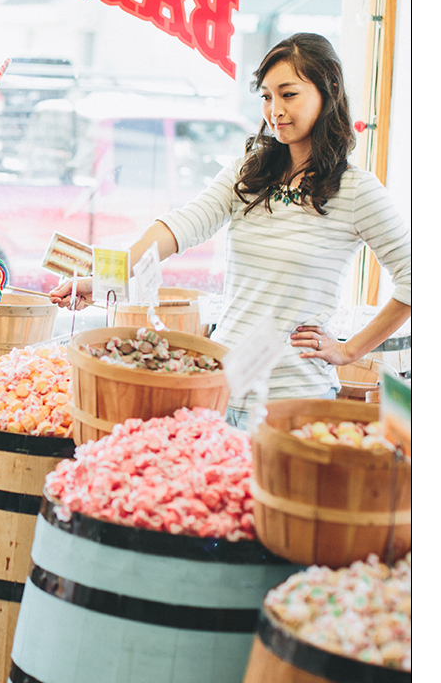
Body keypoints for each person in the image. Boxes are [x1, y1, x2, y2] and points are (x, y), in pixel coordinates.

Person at [53, 33, 412, 429]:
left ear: (329, 90)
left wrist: (349, 351)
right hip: (220, 385)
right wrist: (105, 277)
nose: (274, 110)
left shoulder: (356, 191)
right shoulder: (251, 171)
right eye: (266, 96)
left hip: (293, 402)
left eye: (288, 94)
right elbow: (183, 225)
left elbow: (414, 280)